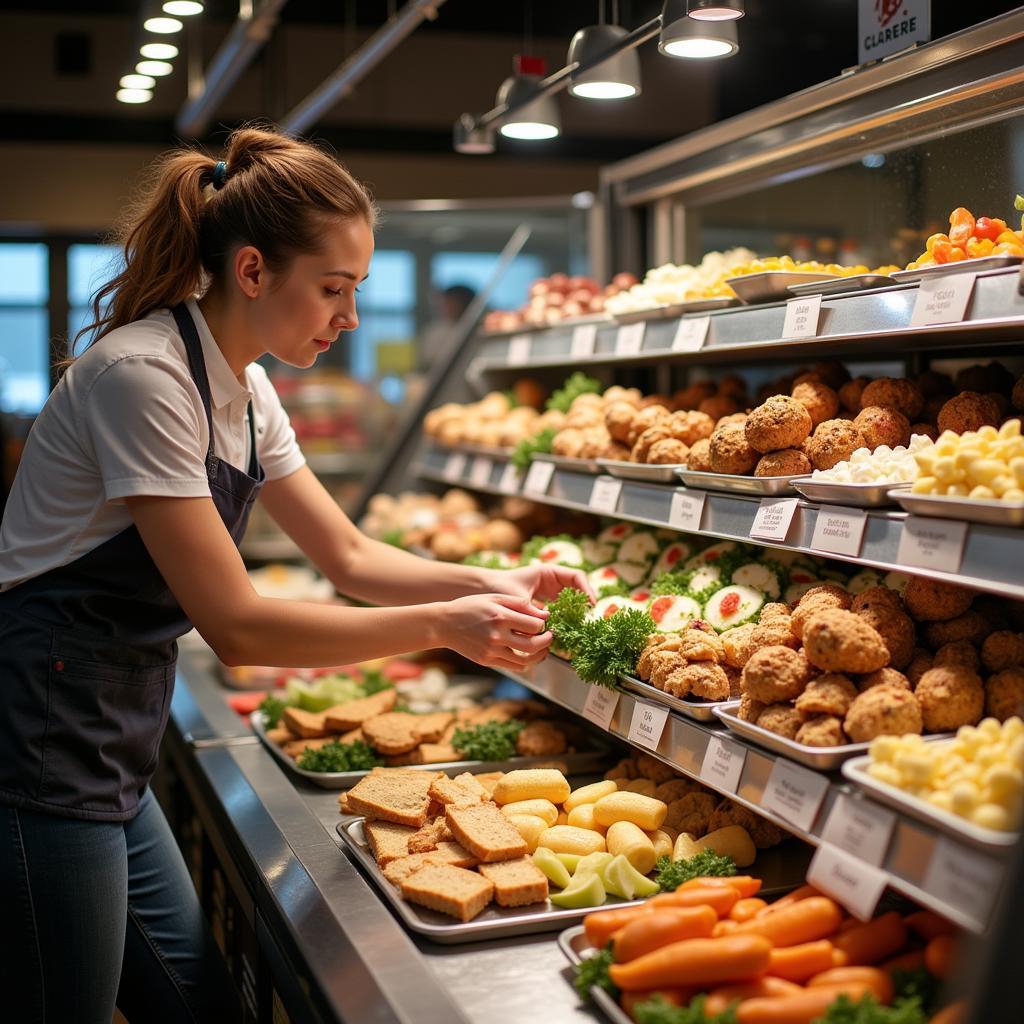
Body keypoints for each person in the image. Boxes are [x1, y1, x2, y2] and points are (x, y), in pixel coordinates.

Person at [0, 126, 588, 1023]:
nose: (350, 316)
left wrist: (491, 585)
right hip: (39, 736)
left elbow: (347, 556)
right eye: (333, 289)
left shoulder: (245, 386)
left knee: (199, 1001)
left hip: (112, 732)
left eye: (354, 291)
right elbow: (237, 626)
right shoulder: (143, 376)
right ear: (250, 272)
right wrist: (443, 626)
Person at [418, 282, 476, 372]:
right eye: (445, 303)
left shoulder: (477, 330)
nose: (445, 307)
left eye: (452, 302)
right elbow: (427, 363)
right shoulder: (434, 332)